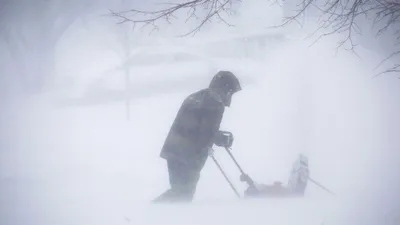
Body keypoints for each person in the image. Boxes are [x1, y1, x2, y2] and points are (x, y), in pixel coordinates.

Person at [152, 71, 242, 203]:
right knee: (183, 194)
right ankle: (154, 211)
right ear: (224, 89)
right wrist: (221, 139)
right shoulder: (215, 102)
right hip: (188, 155)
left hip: (173, 151)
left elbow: (199, 127)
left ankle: (162, 214)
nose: (229, 97)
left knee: (180, 192)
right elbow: (206, 132)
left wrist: (216, 137)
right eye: (230, 92)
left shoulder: (198, 96)